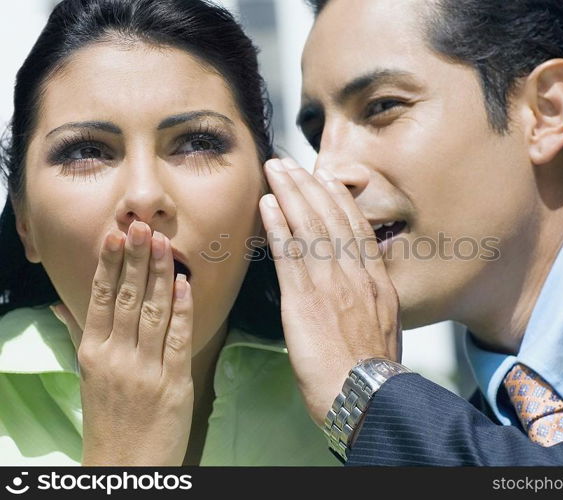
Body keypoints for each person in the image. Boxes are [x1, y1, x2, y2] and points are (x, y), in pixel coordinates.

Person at [257, 0, 563, 465]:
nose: (328, 171)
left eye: (382, 107)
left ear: (546, 110)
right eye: (316, 136)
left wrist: (367, 395)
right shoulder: (451, 436)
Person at [0, 0, 335, 466]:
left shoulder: (347, 410)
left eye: (198, 143)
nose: (143, 194)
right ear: (25, 224)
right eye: (86, 151)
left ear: (264, 200)